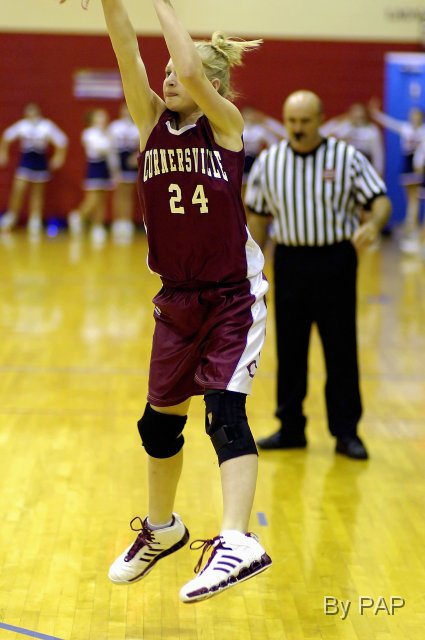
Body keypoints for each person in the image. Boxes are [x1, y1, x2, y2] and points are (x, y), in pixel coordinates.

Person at [61, 0, 272, 603]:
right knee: (157, 425)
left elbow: (194, 70)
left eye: (180, 71)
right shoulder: (150, 121)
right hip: (176, 300)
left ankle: (237, 540)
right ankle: (162, 530)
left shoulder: (225, 125)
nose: (170, 77)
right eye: (167, 71)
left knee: (224, 414)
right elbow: (125, 48)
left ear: (211, 85)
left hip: (231, 296)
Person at [245, 90, 391, 460]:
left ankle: (346, 432)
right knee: (290, 348)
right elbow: (257, 215)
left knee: (340, 348)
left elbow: (380, 200)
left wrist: (374, 224)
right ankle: (290, 427)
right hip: (290, 261)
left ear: (321, 120)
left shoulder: (346, 157)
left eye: (305, 121)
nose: (297, 128)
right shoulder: (270, 161)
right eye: (291, 121)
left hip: (335, 260)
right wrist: (254, 266)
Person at [0, 102, 68, 237]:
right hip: (26, 160)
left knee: (37, 192)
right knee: (19, 188)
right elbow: (6, 137)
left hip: (40, 160)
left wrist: (59, 157)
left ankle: (35, 220)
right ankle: (12, 216)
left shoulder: (46, 126)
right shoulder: (22, 125)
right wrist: (3, 153)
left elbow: (62, 141)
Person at [369, 99, 425, 253]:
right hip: (407, 166)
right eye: (412, 114)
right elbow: (390, 123)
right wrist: (376, 114)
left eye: (417, 115)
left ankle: (414, 230)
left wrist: (420, 165)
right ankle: (412, 229)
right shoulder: (406, 128)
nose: (414, 117)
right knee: (411, 199)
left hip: (418, 166)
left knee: (415, 199)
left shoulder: (423, 131)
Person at [68, 108, 117, 245]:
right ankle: (78, 216)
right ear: (93, 119)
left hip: (105, 167)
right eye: (100, 116)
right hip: (95, 166)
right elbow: (100, 148)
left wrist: (115, 171)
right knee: (93, 198)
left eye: (104, 117)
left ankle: (98, 226)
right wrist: (109, 141)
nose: (103, 119)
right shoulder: (88, 133)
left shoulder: (107, 132)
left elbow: (111, 154)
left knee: (102, 199)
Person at [322, 103, 384, 176]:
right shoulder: (343, 126)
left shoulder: (371, 130)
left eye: (360, 116)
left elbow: (377, 153)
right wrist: (342, 121)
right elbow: (324, 134)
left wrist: (378, 171)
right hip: (342, 166)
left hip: (363, 165)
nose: (357, 117)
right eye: (354, 114)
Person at [108, 102, 140, 243]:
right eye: (124, 109)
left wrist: (136, 156)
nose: (126, 112)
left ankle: (127, 223)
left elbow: (143, 144)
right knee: (118, 194)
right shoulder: (114, 127)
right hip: (118, 161)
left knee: (128, 194)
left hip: (130, 163)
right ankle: (117, 222)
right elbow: (110, 148)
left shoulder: (137, 126)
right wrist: (114, 167)